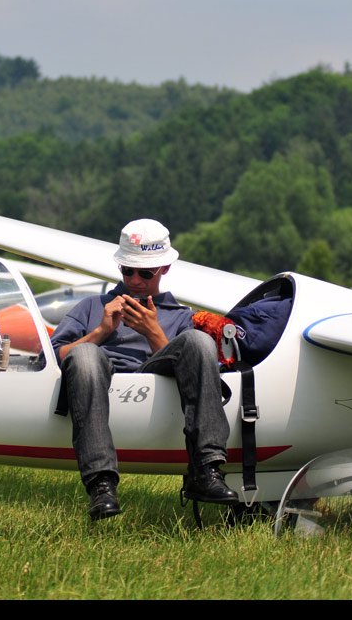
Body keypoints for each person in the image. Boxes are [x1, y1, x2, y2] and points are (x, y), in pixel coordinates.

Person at [50, 219, 238, 520]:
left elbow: (195, 365)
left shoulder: (180, 316)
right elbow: (56, 355)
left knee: (200, 340)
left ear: (164, 268)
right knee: (84, 353)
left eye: (145, 273)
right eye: (128, 271)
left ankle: (206, 470)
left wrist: (152, 333)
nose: (135, 280)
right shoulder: (91, 306)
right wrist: (100, 331)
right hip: (98, 370)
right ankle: (101, 485)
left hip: (156, 371)